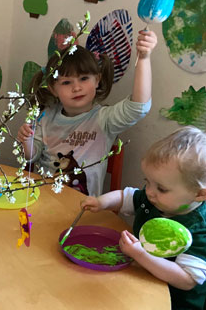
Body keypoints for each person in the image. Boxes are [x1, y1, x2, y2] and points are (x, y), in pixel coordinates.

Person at [17, 30, 157, 196]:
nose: (77, 88)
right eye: (67, 82)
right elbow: (32, 157)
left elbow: (138, 107)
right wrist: (27, 141)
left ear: (97, 80)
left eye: (84, 79)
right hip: (44, 199)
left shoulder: (104, 119)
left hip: (83, 209)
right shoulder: (45, 116)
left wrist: (144, 58)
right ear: (54, 89)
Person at [81, 127, 206, 309]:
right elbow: (125, 196)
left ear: (199, 195)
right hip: (141, 282)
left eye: (161, 188)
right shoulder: (153, 200)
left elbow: (186, 280)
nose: (149, 192)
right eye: (147, 181)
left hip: (175, 303)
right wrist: (101, 202)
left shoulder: (199, 230)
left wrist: (140, 254)